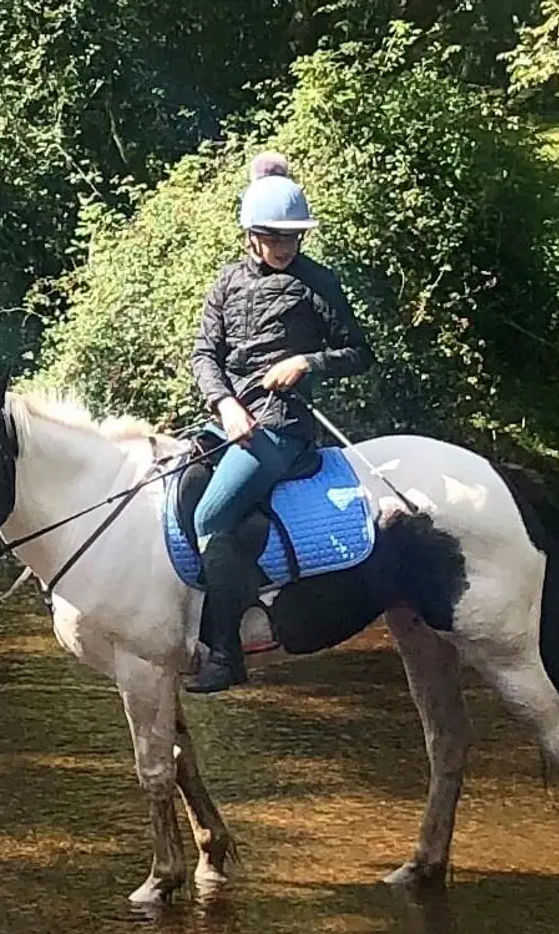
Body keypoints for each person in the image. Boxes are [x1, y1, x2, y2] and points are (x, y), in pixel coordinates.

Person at [185, 152, 374, 694]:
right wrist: (223, 404)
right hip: (230, 418)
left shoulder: (319, 283)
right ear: (251, 236)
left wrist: (306, 363)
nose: (286, 247)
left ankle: (226, 657)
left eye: (293, 238)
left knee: (210, 518)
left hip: (283, 428)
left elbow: (359, 353)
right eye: (275, 238)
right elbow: (204, 354)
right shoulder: (224, 284)